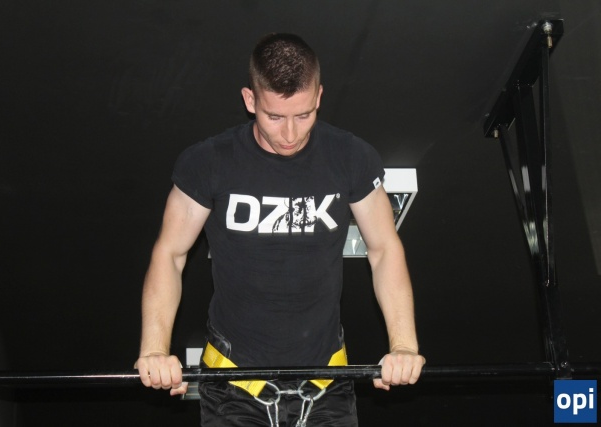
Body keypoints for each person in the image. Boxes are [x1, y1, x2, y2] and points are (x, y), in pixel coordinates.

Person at [135, 33, 425, 426]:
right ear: (249, 100)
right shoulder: (209, 162)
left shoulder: (350, 157)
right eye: (275, 117)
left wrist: (404, 346)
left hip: (326, 384)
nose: (290, 134)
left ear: (319, 96)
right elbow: (170, 254)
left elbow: (384, 248)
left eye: (303, 115)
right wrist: (154, 350)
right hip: (233, 387)